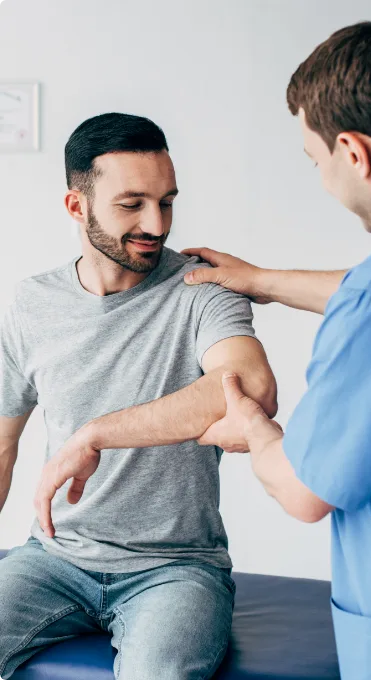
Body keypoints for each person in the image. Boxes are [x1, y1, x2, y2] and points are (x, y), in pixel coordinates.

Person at [178, 22, 371, 680]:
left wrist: (255, 430)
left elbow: (303, 490)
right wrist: (262, 281)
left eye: (314, 161)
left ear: (353, 151)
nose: (321, 179)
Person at [0, 112, 277, 680]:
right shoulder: (29, 305)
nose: (156, 222)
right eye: (132, 204)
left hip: (175, 568)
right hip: (54, 560)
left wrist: (94, 434)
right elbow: (2, 445)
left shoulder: (202, 287)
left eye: (167, 201)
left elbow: (247, 388)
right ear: (77, 207)